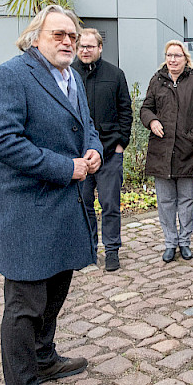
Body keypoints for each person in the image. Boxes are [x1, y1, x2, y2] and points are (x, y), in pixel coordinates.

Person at [0, 5, 102, 385]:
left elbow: (87, 127)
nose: (68, 41)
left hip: (64, 209)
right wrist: (65, 167)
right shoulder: (10, 76)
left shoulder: (71, 78)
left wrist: (94, 151)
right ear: (36, 38)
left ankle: (44, 359)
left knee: (55, 291)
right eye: (58, 35)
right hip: (28, 212)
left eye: (72, 35)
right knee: (24, 305)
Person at [140, 40, 193, 263]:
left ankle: (185, 242)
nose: (173, 59)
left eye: (177, 56)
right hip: (161, 152)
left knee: (186, 200)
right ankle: (170, 243)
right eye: (169, 55)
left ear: (185, 58)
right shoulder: (157, 80)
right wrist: (151, 121)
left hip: (187, 151)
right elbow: (145, 108)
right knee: (165, 201)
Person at [72, 28, 132, 272]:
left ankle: (112, 250)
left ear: (99, 48)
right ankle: (88, 250)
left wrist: (120, 145)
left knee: (110, 205)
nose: (85, 51)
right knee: (82, 205)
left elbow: (125, 111)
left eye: (90, 46)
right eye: (81, 47)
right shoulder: (68, 74)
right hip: (78, 155)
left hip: (109, 153)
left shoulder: (115, 75)